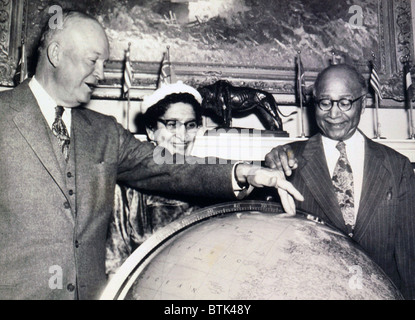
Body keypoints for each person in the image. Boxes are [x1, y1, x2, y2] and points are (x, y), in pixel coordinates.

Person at [0, 11, 303, 300]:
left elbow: (171, 166)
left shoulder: (104, 131)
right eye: (94, 61)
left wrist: (244, 172)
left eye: (104, 63)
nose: (101, 73)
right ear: (55, 54)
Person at [265, 64, 415, 299]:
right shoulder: (287, 161)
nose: (334, 114)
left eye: (345, 102)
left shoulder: (398, 167)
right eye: (325, 102)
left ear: (362, 104)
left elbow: (409, 259)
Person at [106, 82, 207, 275]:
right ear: (151, 131)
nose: (182, 135)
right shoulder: (126, 191)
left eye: (190, 125)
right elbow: (114, 268)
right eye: (171, 124)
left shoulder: (211, 181)